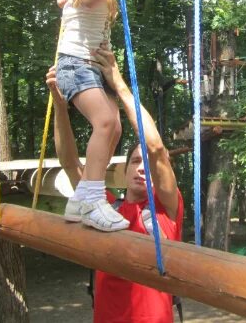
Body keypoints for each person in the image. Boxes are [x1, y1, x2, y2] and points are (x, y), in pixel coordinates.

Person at [46, 45, 183, 323]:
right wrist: (61, 106)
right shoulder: (105, 207)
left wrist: (117, 82)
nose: (142, 169)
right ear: (121, 171)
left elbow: (155, 148)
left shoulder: (167, 210)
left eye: (148, 165)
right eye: (135, 161)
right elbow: (70, 163)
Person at [55, 0, 147, 232]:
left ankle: (80, 199)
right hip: (74, 63)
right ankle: (94, 200)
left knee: (116, 128)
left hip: (90, 66)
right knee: (105, 122)